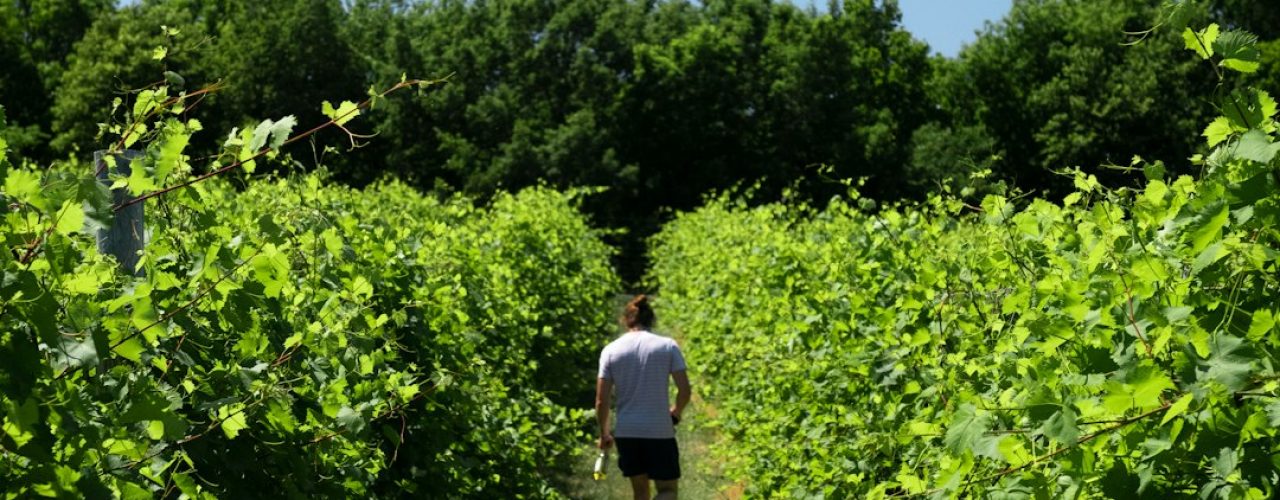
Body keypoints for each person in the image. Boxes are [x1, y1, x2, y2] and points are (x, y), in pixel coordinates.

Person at [596, 295, 692, 500]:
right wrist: (676, 412)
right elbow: (685, 390)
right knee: (667, 491)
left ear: (626, 320)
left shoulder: (611, 350)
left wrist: (604, 433)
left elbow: (601, 401)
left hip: (627, 431)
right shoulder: (667, 346)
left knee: (640, 494)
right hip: (659, 429)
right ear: (651, 319)